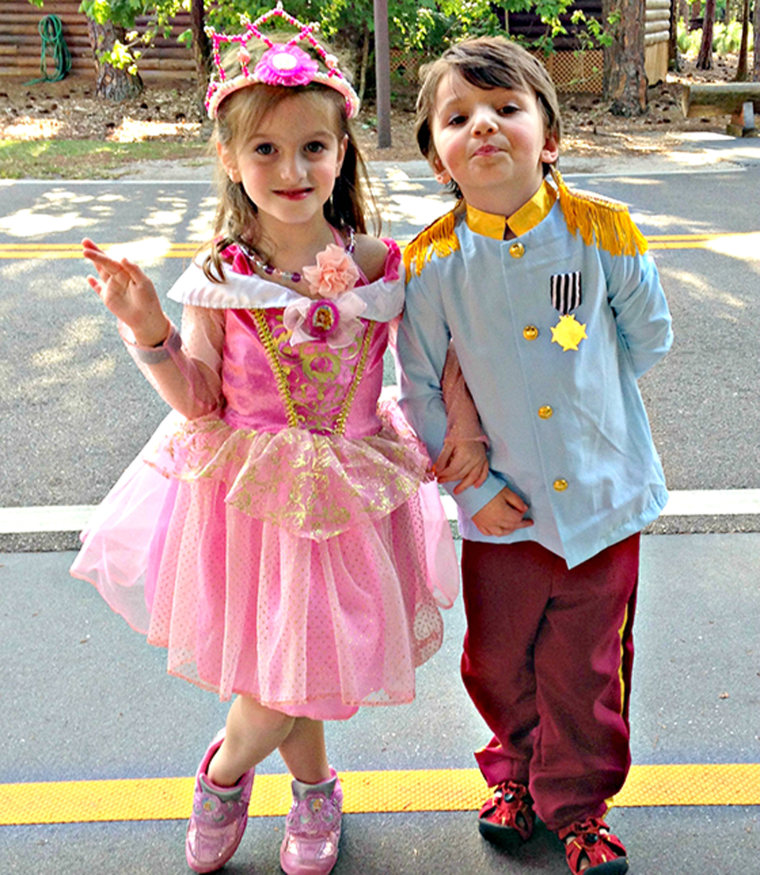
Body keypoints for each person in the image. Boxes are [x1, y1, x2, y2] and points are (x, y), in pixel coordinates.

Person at [70, 7, 482, 874]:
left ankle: (293, 787)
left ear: (341, 152)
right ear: (229, 156)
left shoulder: (377, 264)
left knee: (311, 658)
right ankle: (244, 778)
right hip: (251, 495)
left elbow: (432, 359)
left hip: (352, 488)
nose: (292, 169)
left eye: (313, 148)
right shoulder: (220, 277)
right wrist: (148, 329)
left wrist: (464, 432)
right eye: (265, 150)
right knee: (286, 667)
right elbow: (200, 400)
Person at [397, 36, 673, 875]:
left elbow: (648, 338)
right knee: (498, 656)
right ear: (438, 154)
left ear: (548, 136)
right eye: (458, 116)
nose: (484, 125)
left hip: (601, 501)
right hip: (500, 513)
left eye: (506, 108)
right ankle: (513, 772)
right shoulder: (432, 262)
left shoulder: (602, 231)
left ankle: (579, 803)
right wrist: (474, 495)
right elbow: (414, 389)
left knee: (588, 667)